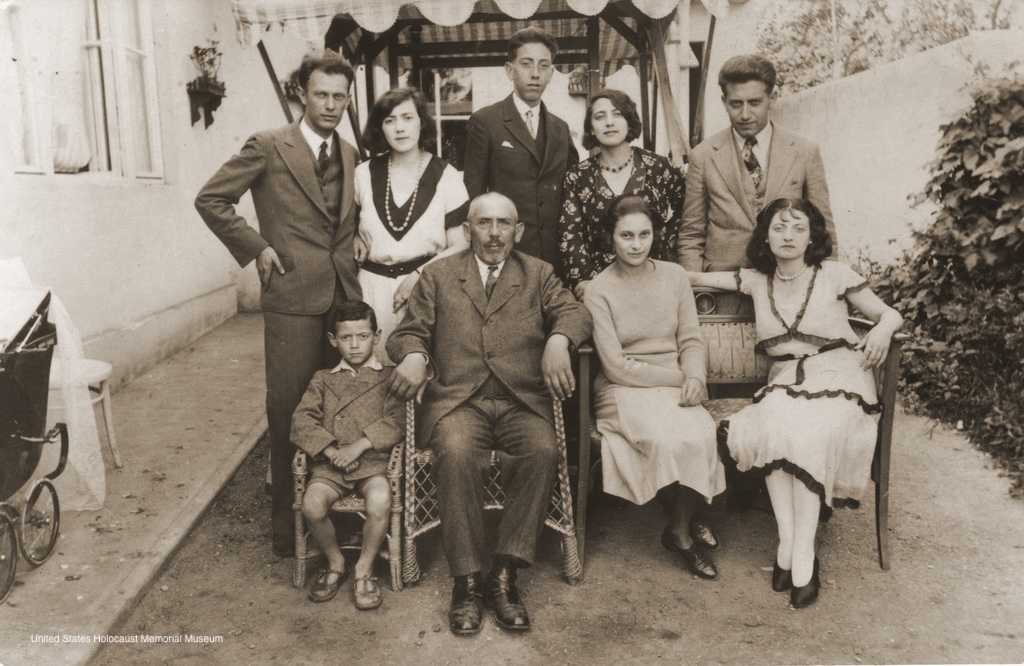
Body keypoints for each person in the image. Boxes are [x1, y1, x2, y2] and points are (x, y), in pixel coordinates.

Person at [387, 192, 592, 636]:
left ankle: (504, 574)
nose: (495, 233)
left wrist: (559, 340)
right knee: (457, 453)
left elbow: (575, 312)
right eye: (484, 223)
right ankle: (466, 582)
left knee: (543, 450)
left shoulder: (538, 274)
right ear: (467, 230)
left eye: (504, 224)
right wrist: (415, 354)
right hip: (461, 402)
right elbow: (407, 333)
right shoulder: (439, 276)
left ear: (518, 231)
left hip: (521, 401)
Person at [688, 198, 903, 609]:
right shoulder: (754, 280)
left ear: (812, 236)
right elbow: (688, 275)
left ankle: (800, 554)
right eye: (779, 228)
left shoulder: (835, 274)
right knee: (768, 429)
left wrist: (882, 332)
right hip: (785, 380)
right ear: (765, 237)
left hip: (840, 373)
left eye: (798, 228)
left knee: (807, 433)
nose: (788, 236)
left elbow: (889, 314)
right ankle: (789, 545)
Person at [195, 50, 361, 557]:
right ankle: (289, 534)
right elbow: (211, 199)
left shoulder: (352, 153)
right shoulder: (268, 145)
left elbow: (346, 217)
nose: (330, 105)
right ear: (301, 94)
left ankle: (334, 517)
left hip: (344, 300)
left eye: (339, 96)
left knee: (338, 413)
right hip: (291, 300)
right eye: (321, 95)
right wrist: (257, 247)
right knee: (290, 412)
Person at [583, 195, 726, 580]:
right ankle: (683, 536)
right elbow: (616, 367)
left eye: (644, 234)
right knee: (664, 438)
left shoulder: (675, 276)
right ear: (610, 238)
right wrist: (680, 378)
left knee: (699, 433)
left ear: (655, 235)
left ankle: (678, 526)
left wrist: (695, 376)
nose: (636, 244)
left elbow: (691, 339)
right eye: (626, 235)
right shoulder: (599, 289)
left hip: (673, 381)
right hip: (622, 390)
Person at [678, 54, 837, 314]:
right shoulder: (703, 156)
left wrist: (826, 291)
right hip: (720, 295)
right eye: (735, 104)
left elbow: (824, 229)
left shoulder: (805, 152)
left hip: (790, 290)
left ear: (772, 98)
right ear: (723, 102)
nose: (744, 114)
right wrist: (693, 297)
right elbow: (691, 234)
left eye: (755, 103)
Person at [291, 301, 404, 609]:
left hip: (372, 463)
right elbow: (302, 421)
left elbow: (397, 421)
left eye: (363, 336)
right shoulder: (323, 378)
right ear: (332, 340)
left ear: (377, 336)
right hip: (331, 465)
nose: (354, 345)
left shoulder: (390, 377)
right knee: (311, 504)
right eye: (345, 338)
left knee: (381, 499)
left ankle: (364, 567)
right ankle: (336, 561)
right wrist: (330, 450)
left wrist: (358, 447)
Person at [353, 87, 470, 364]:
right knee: (373, 377)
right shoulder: (362, 174)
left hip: (425, 290)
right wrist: (352, 238)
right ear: (380, 128)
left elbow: (462, 243)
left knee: (420, 376)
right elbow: (346, 228)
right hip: (371, 291)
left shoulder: (447, 176)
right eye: (389, 120)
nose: (400, 128)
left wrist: (419, 274)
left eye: (407, 117)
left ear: (422, 122)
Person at [463, 27, 579, 278]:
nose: (535, 74)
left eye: (544, 66)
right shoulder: (486, 122)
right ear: (509, 70)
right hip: (504, 258)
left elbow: (572, 194)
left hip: (554, 260)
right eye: (526, 64)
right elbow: (471, 195)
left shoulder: (560, 128)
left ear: (551, 73)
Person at [560, 90, 685, 298]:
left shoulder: (659, 167)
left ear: (629, 120)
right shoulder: (577, 176)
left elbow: (687, 211)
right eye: (600, 117)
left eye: (617, 114)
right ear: (591, 127)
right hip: (599, 285)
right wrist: (585, 280)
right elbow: (571, 233)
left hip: (654, 279)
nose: (609, 123)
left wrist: (664, 247)